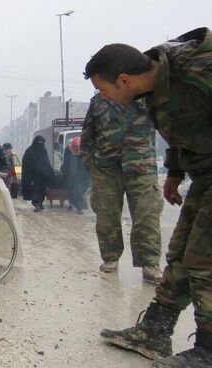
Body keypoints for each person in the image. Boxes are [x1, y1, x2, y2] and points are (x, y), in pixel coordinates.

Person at [85, 28, 212, 366]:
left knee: (204, 260)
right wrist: (174, 172)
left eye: (103, 89)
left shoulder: (196, 69)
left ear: (123, 80)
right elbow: (185, 131)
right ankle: (155, 331)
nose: (102, 98)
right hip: (204, 174)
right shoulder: (154, 89)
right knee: (182, 252)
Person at [80, 94, 163, 282]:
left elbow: (169, 127)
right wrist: (91, 164)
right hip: (106, 169)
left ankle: (150, 263)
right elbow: (87, 137)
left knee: (147, 215)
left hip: (141, 166)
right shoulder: (99, 101)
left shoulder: (148, 96)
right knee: (106, 215)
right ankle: (110, 258)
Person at [21, 136, 53, 212]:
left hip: (42, 176)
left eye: (42, 143)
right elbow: (25, 163)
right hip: (33, 177)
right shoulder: (29, 151)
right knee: (35, 191)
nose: (40, 145)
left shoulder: (43, 151)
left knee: (42, 191)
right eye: (38, 143)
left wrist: (49, 173)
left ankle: (40, 203)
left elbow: (47, 162)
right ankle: (36, 204)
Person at [60, 137, 89, 215]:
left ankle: (74, 204)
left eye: (79, 147)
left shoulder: (84, 151)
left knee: (80, 190)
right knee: (73, 190)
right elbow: (65, 162)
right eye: (75, 147)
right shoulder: (68, 150)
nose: (77, 148)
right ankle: (78, 207)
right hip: (71, 175)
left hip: (81, 174)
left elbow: (86, 162)